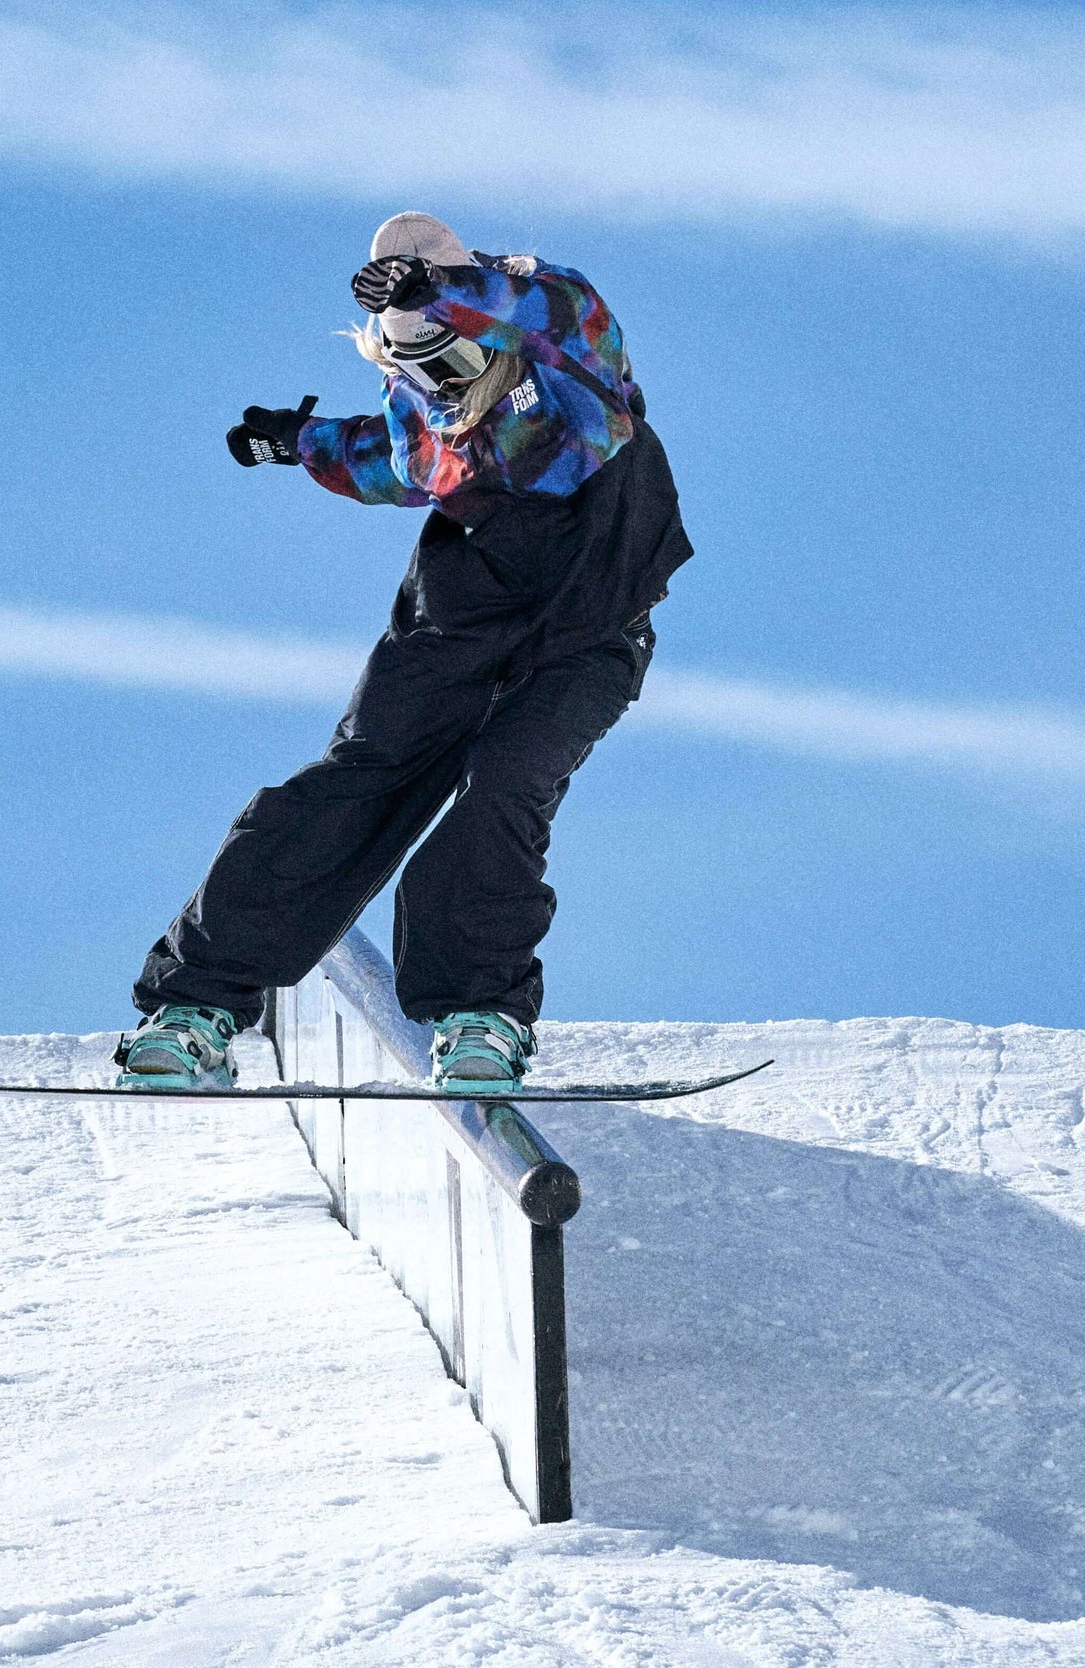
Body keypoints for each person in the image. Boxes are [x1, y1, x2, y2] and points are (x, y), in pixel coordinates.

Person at [117, 211, 693, 1093]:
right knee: (361, 777)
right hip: (456, 623)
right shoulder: (426, 414)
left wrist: (444, 295)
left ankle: (478, 1011)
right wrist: (292, 441)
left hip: (588, 632)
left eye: (459, 361)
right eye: (421, 372)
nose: (449, 388)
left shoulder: (568, 359)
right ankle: (195, 1006)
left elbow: (544, 307)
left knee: (507, 782)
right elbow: (383, 458)